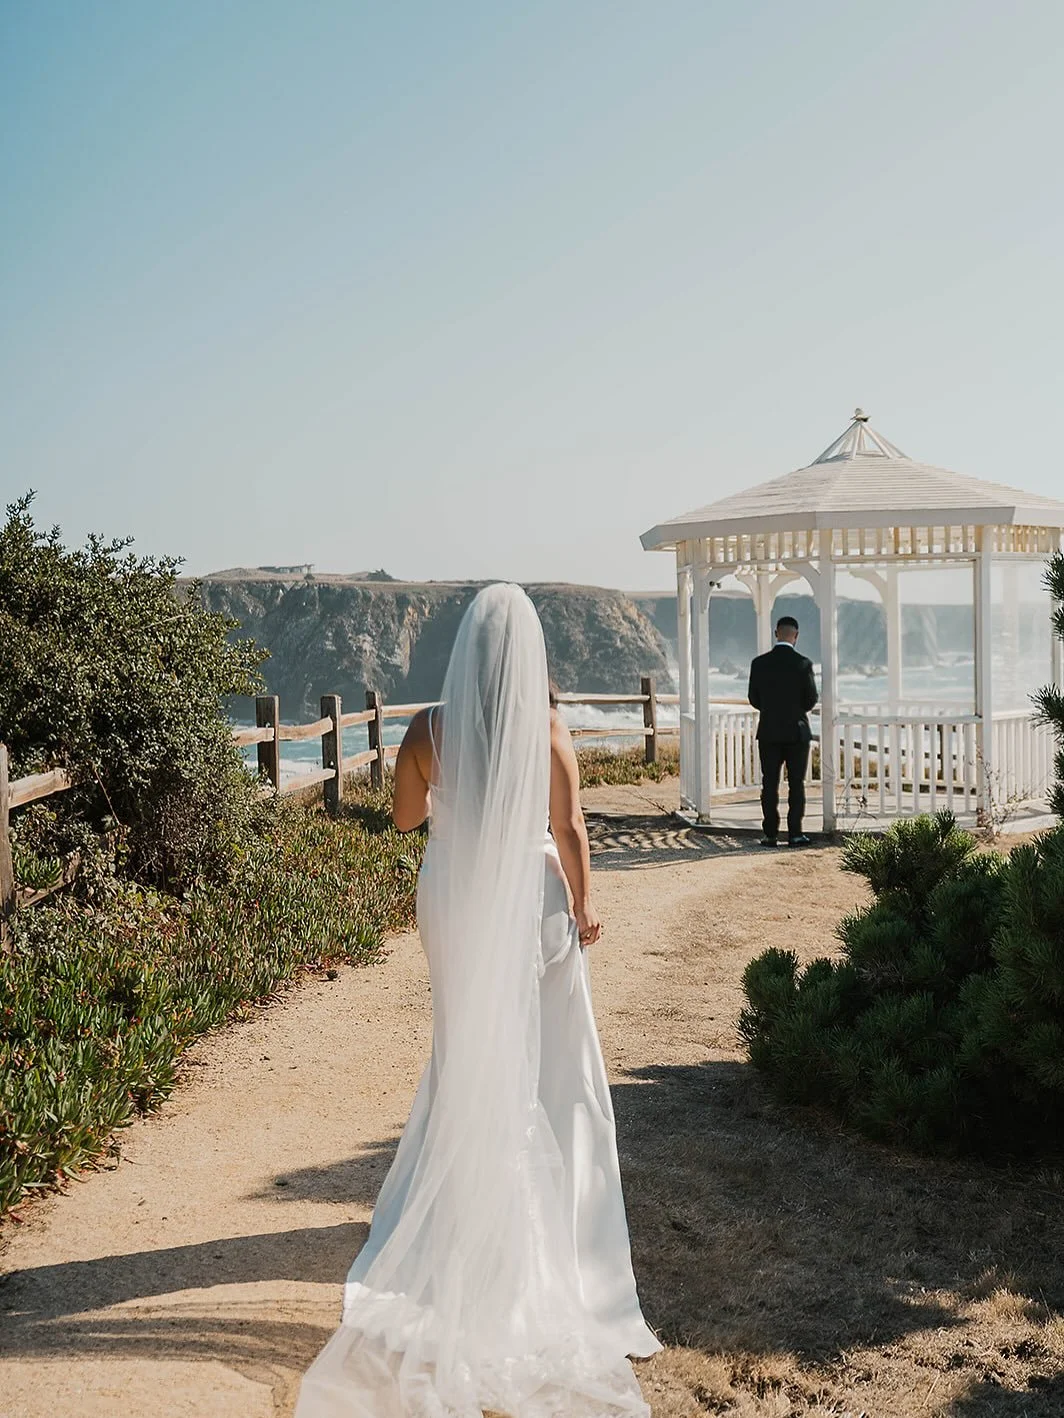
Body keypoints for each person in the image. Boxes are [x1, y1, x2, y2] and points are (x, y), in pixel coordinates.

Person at [295, 583, 658, 1418]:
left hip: (454, 894)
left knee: (466, 1041)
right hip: (533, 898)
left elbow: (402, 819)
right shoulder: (551, 729)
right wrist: (584, 903)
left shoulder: (427, 729)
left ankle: (463, 1197)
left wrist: (454, 801)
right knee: (553, 1053)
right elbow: (569, 831)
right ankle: (549, 1220)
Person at [747, 615, 819, 847]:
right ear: (796, 636)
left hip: (768, 731)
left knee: (770, 784)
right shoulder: (804, 664)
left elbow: (753, 698)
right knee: (796, 783)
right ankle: (795, 833)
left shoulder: (759, 663)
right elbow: (811, 700)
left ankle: (770, 834)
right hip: (797, 733)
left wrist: (771, 710)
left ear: (776, 633)